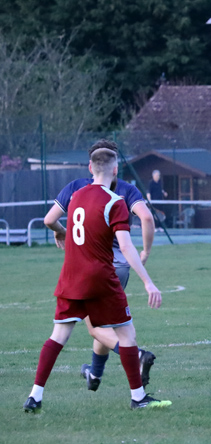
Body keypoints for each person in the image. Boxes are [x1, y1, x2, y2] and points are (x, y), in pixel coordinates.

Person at [24, 148, 168, 412]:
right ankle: (138, 398)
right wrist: (148, 281)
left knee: (58, 336)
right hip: (101, 279)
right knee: (127, 334)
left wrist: (61, 232)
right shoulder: (115, 202)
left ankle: (35, 396)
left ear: (90, 168)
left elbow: (53, 221)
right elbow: (126, 247)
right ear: (115, 170)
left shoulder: (75, 196)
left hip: (70, 277)